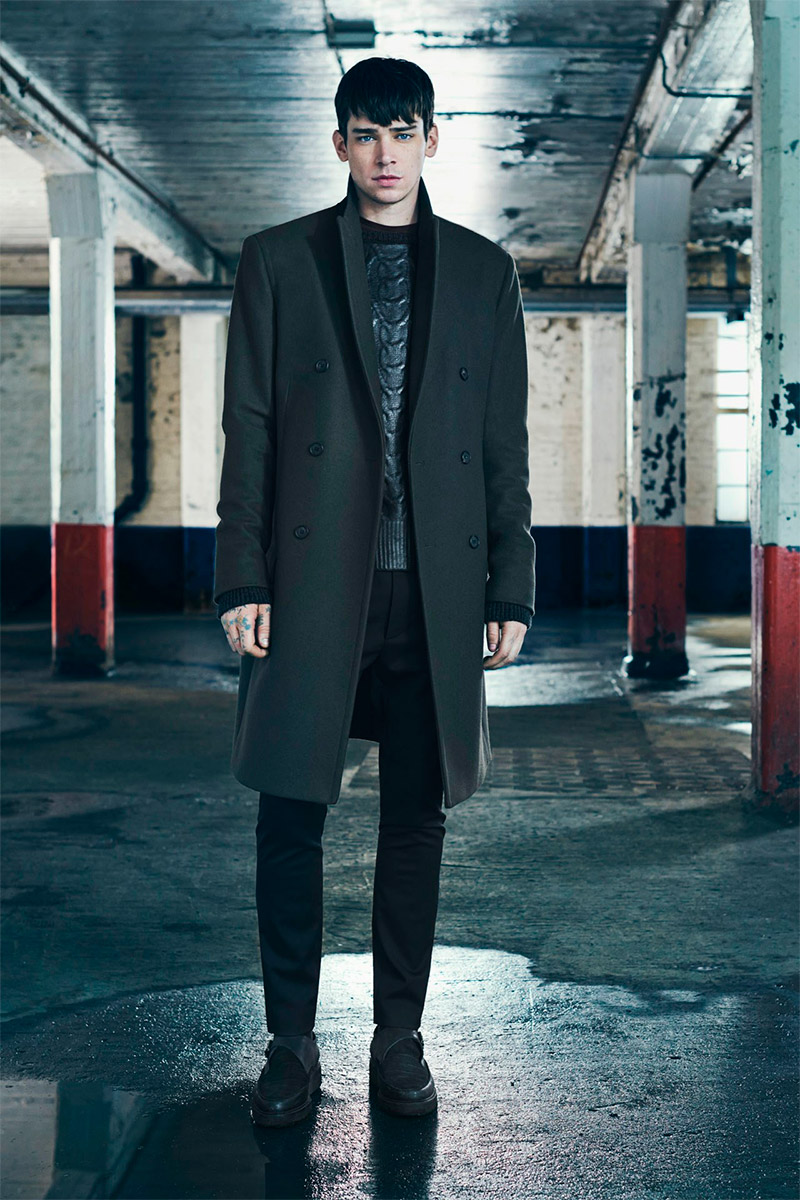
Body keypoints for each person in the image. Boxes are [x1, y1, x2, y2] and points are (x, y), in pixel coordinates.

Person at [214, 56, 536, 1126]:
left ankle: (399, 1040)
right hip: (312, 584)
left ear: (432, 139)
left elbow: (503, 444)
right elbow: (250, 429)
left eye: (403, 132)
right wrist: (241, 573)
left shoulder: (484, 272)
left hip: (434, 590)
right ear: (340, 143)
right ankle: (289, 1044)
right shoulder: (280, 260)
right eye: (366, 133)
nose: (385, 154)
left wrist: (511, 585)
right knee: (289, 815)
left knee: (415, 820)